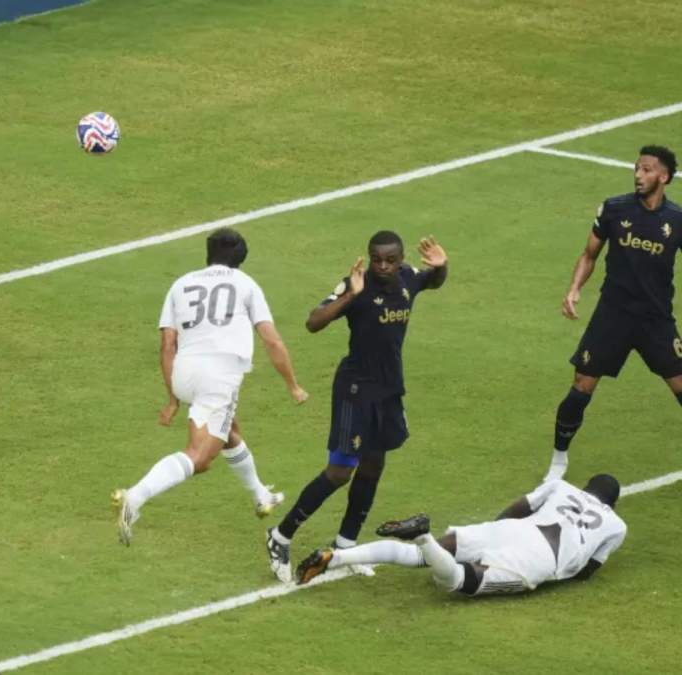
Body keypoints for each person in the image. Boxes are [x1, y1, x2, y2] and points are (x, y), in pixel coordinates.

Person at [266, 231, 447, 582]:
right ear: (369, 257)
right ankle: (280, 535)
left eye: (389, 260)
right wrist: (350, 295)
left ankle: (345, 546)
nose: (382, 266)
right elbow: (313, 321)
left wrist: (442, 267)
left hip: (389, 389)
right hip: (355, 390)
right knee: (339, 471)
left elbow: (433, 281)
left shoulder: (408, 277)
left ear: (400, 258)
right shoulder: (356, 285)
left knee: (373, 467)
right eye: (377, 258)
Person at [112, 227, 308, 546]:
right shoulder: (245, 284)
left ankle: (261, 495)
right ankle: (133, 499)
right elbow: (271, 339)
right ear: (240, 258)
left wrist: (173, 398)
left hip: (185, 373)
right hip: (219, 376)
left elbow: (167, 344)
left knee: (227, 428)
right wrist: (293, 385)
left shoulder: (181, 284)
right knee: (200, 457)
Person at [547, 145, 681, 481]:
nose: (638, 175)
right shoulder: (614, 209)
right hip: (613, 316)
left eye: (647, 169)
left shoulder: (677, 220)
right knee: (581, 386)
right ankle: (558, 460)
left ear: (663, 176)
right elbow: (589, 254)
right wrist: (575, 288)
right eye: (637, 168)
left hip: (655, 320)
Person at [294, 474, 627, 595]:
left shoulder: (563, 486)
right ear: (611, 502)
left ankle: (334, 557)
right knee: (456, 582)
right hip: (538, 558)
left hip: (515, 528)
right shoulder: (616, 525)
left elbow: (519, 505)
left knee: (420, 558)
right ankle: (422, 535)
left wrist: (493, 533)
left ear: (587, 488)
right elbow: (586, 573)